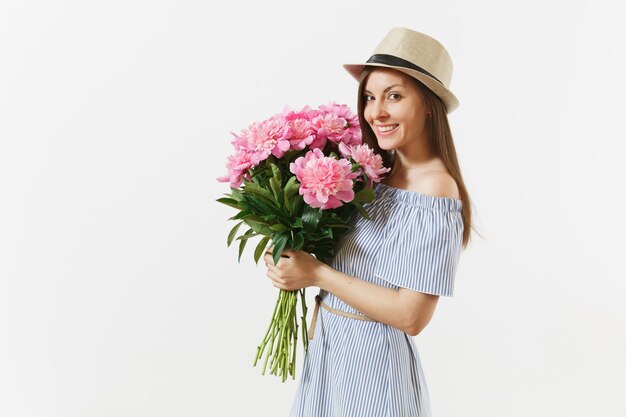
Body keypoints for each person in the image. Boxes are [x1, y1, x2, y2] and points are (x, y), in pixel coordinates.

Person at [264, 27, 473, 417]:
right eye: (370, 97)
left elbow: (412, 316)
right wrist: (289, 255)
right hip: (330, 351)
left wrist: (317, 275)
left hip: (372, 367)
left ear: (428, 104)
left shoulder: (435, 192)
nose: (376, 112)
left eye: (394, 96)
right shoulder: (373, 176)